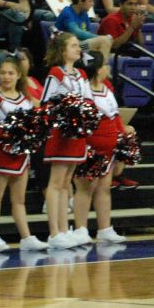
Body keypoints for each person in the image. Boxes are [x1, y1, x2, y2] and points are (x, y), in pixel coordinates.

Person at [0, 54, 44, 251]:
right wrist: (9, 132)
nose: (6, 77)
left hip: (21, 154)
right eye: (3, 73)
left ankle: (26, 237)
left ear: (18, 75)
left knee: (19, 199)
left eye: (10, 73)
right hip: (0, 153)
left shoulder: (26, 100)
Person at [73, 53, 130, 246]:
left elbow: (115, 117)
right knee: (85, 188)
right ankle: (80, 229)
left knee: (104, 188)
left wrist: (122, 139)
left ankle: (105, 228)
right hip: (90, 148)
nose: (108, 67)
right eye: (105, 64)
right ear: (98, 69)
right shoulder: (84, 91)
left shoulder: (107, 89)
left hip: (110, 149)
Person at [39, 31, 90, 248]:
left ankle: (64, 228)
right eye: (74, 46)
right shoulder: (55, 74)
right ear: (62, 51)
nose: (79, 49)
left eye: (78, 46)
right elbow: (45, 104)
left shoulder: (81, 74)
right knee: (56, 183)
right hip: (61, 133)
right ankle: (54, 232)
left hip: (76, 134)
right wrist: (64, 114)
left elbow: (88, 102)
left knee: (66, 183)